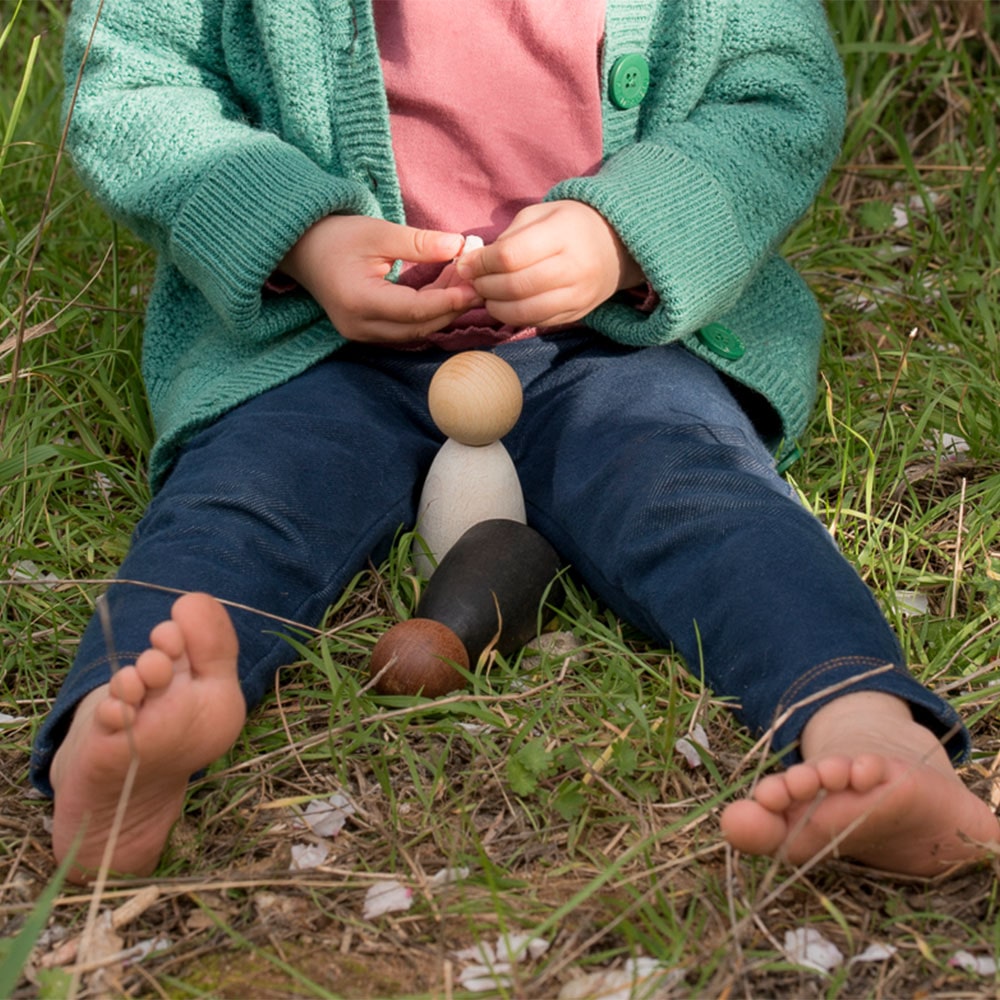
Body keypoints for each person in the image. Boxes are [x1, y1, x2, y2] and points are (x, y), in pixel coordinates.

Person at [33, 0, 998, 884]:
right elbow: (135, 82)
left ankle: (867, 729)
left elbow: (775, 94)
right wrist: (299, 234)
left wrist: (622, 234)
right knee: (245, 499)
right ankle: (119, 732)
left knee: (701, 496)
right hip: (318, 345)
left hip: (609, 346)